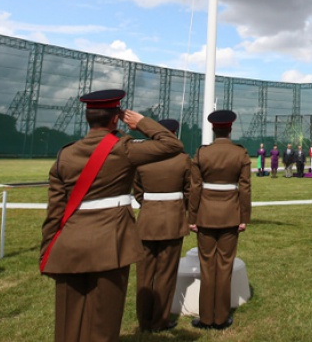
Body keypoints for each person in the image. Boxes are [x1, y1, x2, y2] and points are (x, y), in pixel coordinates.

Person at [40, 89, 183, 342]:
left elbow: (54, 212)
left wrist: (47, 252)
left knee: (68, 322)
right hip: (110, 242)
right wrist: (141, 123)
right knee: (103, 321)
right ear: (116, 118)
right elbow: (172, 144)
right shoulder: (123, 149)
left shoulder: (66, 154)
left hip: (69, 243)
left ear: (88, 118)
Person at [189, 110, 251, 330]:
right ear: (230, 129)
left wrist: (192, 216)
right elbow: (244, 188)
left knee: (207, 266)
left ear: (213, 129)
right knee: (224, 266)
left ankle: (206, 318)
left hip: (205, 215)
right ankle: (221, 317)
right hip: (230, 216)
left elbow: (194, 188)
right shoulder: (240, 153)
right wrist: (244, 218)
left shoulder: (201, 153)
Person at [133, 119, 191, 333]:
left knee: (144, 274)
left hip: (147, 221)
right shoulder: (183, 159)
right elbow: (189, 191)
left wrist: (149, 207)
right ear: (173, 134)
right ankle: (160, 321)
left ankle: (144, 321)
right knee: (166, 274)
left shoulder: (142, 161)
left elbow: (137, 191)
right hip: (172, 221)